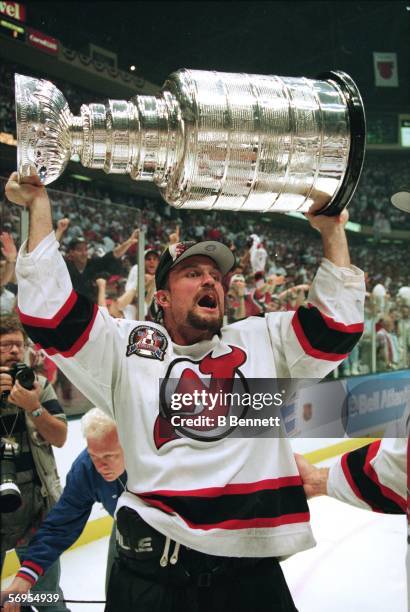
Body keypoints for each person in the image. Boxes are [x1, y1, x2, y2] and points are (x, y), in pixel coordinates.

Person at [6, 169, 365, 612]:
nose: (211, 281)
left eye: (216, 275)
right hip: (149, 578)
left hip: (249, 578)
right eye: (192, 273)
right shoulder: (127, 348)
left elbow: (337, 327)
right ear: (162, 299)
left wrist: (333, 230)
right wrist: (38, 207)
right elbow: (49, 315)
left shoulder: (262, 341)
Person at [1, 408, 126, 611]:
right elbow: (62, 524)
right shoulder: (86, 468)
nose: (101, 466)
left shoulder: (156, 462)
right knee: (120, 598)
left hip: (172, 532)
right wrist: (23, 578)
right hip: (126, 527)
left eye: (109, 456)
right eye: (94, 456)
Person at [0, 313, 68, 612]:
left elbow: (60, 437)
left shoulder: (39, 385)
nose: (14, 351)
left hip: (36, 508)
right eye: (4, 346)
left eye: (18, 345)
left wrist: (34, 407)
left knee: (48, 597)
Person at [64, 229, 138, 302]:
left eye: (85, 249)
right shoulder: (64, 267)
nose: (84, 253)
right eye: (79, 250)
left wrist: (129, 241)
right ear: (71, 252)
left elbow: (113, 254)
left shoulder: (93, 264)